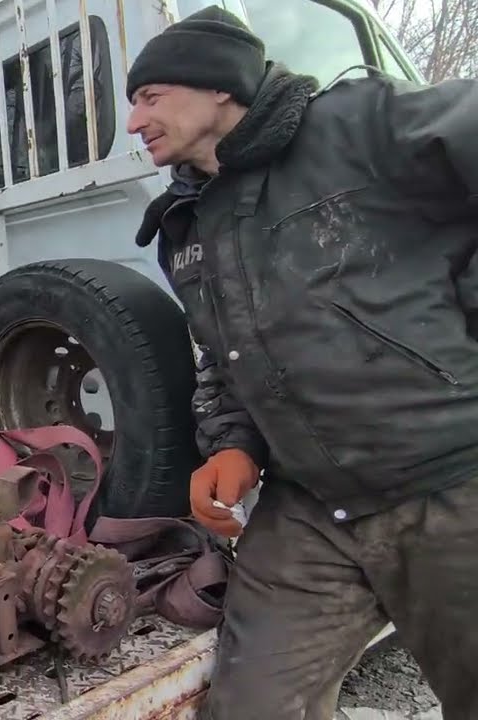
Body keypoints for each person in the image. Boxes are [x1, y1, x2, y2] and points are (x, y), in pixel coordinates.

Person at [124, 7, 478, 719]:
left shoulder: (358, 127)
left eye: (150, 98)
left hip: (451, 486)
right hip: (313, 510)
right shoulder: (184, 224)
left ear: (219, 87)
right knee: (250, 708)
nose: (134, 123)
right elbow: (223, 352)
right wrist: (232, 444)